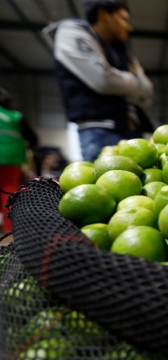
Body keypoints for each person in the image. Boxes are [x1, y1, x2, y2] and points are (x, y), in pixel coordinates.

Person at [48, 0, 154, 162]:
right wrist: (132, 80)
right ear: (104, 15)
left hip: (132, 130)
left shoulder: (123, 52)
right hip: (100, 132)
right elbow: (103, 80)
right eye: (123, 19)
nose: (129, 27)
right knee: (105, 183)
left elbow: (147, 93)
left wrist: (117, 79)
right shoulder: (72, 32)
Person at [0, 88, 38, 233]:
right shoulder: (16, 116)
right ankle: (11, 230)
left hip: (11, 159)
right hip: (12, 158)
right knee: (9, 191)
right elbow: (33, 139)